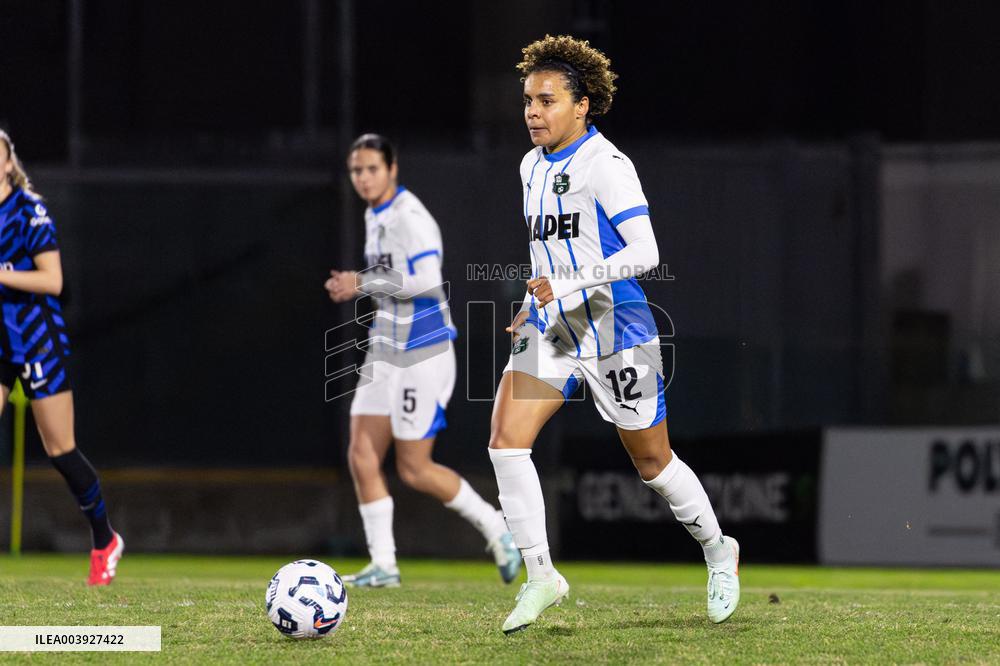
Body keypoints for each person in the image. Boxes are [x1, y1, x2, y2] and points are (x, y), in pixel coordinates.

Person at [488, 35, 740, 634]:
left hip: (616, 324)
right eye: (528, 100)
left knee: (653, 462)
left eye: (547, 100)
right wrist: (532, 301)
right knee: (505, 439)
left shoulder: (609, 165)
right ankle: (542, 575)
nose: (532, 111)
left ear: (583, 106)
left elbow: (646, 252)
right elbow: (544, 253)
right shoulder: (529, 166)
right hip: (556, 327)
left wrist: (570, 282)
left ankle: (719, 552)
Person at [325, 133, 520, 587]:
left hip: (423, 349)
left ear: (392, 170)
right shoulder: (376, 216)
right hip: (385, 346)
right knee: (362, 453)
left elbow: (429, 283)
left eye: (372, 168)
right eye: (357, 170)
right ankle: (384, 566)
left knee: (414, 467)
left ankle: (497, 529)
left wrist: (364, 282)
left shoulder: (410, 216)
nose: (364, 177)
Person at [0, 129, 123, 585]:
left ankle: (104, 538)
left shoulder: (29, 212)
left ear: (8, 162)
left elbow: (53, 281)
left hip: (35, 338)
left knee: (59, 449)